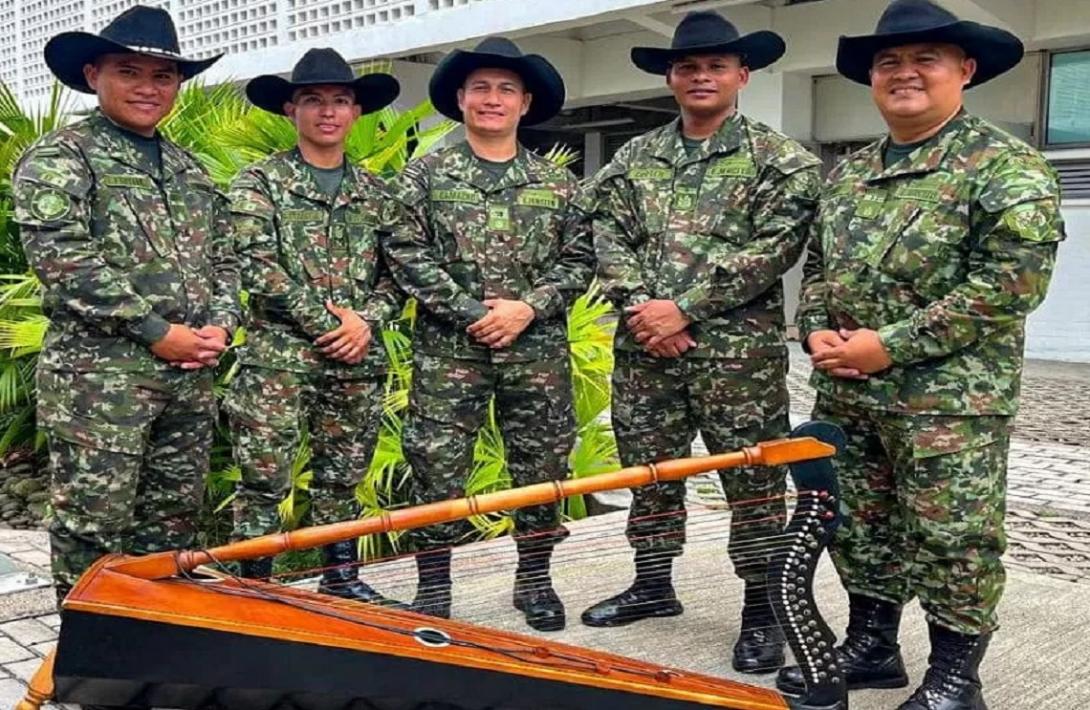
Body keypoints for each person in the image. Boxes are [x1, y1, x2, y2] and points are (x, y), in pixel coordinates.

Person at [781, 2, 1064, 707]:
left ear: (964, 71)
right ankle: (874, 645)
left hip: (949, 400)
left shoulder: (1004, 166)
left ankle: (955, 679)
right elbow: (819, 268)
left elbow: (1010, 283)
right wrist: (814, 328)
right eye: (888, 63)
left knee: (953, 537)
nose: (904, 73)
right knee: (860, 526)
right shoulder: (850, 174)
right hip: (851, 391)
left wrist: (891, 347)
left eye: (924, 60)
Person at [581, 11, 820, 676]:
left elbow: (774, 249)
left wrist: (681, 308)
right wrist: (642, 310)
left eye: (716, 65)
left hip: (736, 361)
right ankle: (653, 583)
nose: (701, 76)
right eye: (688, 66)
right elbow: (607, 235)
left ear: (743, 75)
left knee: (752, 483)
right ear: (671, 77)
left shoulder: (782, 162)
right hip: (645, 356)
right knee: (650, 475)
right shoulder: (634, 157)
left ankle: (761, 609)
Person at [14, 4, 241, 616]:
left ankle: (157, 644)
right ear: (93, 75)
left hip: (188, 378)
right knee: (94, 522)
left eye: (162, 76)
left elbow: (226, 258)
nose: (148, 87)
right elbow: (64, 260)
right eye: (129, 71)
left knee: (171, 521)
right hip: (101, 381)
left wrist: (219, 323)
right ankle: (90, 658)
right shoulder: (62, 157)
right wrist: (154, 330)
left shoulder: (188, 169)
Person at [382, 37, 594, 632]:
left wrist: (528, 308)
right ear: (460, 98)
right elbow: (403, 252)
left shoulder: (558, 185)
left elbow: (580, 261)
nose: (492, 99)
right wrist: (473, 311)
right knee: (436, 465)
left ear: (525, 103)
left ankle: (534, 580)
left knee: (542, 465)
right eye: (480, 88)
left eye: (505, 89)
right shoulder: (424, 177)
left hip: (537, 352)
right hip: (450, 351)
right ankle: (433, 586)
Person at [224, 48, 404, 603]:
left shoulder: (378, 192)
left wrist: (365, 321)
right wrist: (330, 322)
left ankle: (341, 579)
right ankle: (252, 586)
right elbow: (255, 260)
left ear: (355, 113)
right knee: (263, 477)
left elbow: (401, 272)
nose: (328, 112)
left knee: (342, 476)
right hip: (279, 360)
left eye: (341, 101)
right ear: (290, 110)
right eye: (313, 101)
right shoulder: (260, 183)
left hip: (358, 359)